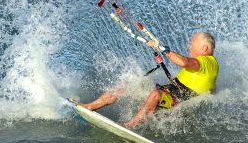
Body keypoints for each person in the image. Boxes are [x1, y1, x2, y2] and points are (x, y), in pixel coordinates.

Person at [74, 32, 219, 129]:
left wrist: (162, 49)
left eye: (192, 44)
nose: (189, 47)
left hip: (179, 100)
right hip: (170, 91)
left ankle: (131, 125)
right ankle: (90, 106)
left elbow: (183, 62)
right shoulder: (207, 66)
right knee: (131, 85)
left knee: (155, 94)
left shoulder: (206, 62)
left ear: (204, 48)